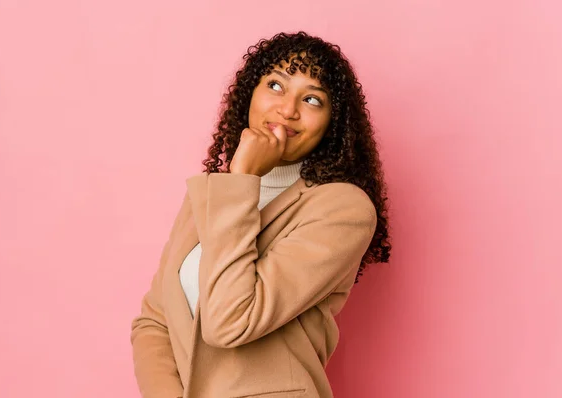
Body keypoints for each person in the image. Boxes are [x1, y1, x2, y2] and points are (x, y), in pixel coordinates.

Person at [130, 31, 391, 398]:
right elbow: (154, 321)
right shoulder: (210, 195)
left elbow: (230, 322)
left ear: (333, 123)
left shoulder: (342, 209)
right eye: (275, 85)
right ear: (248, 94)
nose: (288, 109)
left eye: (312, 99)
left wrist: (244, 180)